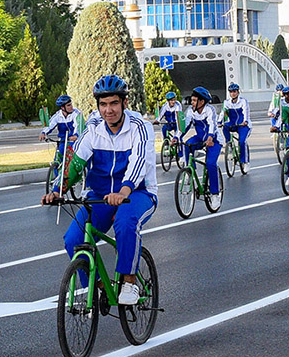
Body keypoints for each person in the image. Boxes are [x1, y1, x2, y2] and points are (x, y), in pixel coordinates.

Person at [41, 76, 156, 306]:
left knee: (126, 223)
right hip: (100, 196)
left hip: (137, 193)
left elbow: (139, 163)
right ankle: (98, 287)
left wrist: (124, 192)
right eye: (103, 104)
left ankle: (130, 281)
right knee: (74, 239)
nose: (108, 110)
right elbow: (75, 161)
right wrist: (57, 189)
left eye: (114, 103)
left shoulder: (140, 127)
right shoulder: (93, 127)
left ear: (124, 102)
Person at [182, 86, 225, 196]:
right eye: (192, 100)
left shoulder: (210, 110)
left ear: (202, 101)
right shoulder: (191, 111)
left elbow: (212, 125)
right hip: (200, 138)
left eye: (194, 100)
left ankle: (215, 193)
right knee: (187, 145)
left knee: (210, 164)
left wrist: (210, 138)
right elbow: (185, 126)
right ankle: (190, 171)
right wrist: (176, 137)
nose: (192, 102)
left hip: (214, 140)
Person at [221, 83, 252, 166]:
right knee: (225, 127)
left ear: (238, 92)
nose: (233, 93)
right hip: (233, 124)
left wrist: (245, 121)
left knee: (242, 142)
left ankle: (245, 162)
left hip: (243, 125)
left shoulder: (243, 101)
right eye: (231, 92)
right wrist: (219, 122)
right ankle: (229, 144)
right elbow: (223, 113)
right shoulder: (226, 102)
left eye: (234, 91)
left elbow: (246, 112)